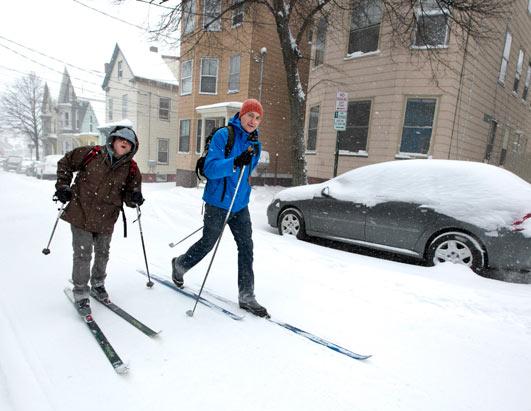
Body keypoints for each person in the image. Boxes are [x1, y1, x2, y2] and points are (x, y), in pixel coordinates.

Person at [172, 99, 269, 317]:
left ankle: (247, 295)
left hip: (240, 205)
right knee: (208, 243)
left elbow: (246, 175)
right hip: (217, 203)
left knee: (246, 247)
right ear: (241, 115)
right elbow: (211, 169)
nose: (253, 121)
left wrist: (243, 176)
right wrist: (235, 161)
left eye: (257, 117)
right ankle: (179, 265)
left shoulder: (256, 143)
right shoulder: (224, 136)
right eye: (250, 115)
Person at [55, 125, 144, 315]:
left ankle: (97, 284)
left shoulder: (131, 169)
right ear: (113, 140)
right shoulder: (91, 154)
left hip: (107, 216)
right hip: (81, 212)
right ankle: (80, 292)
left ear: (133, 148)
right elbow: (65, 163)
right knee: (83, 253)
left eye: (129, 142)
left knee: (103, 253)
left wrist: (135, 197)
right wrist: (63, 185)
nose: (124, 143)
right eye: (122, 139)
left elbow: (131, 194)